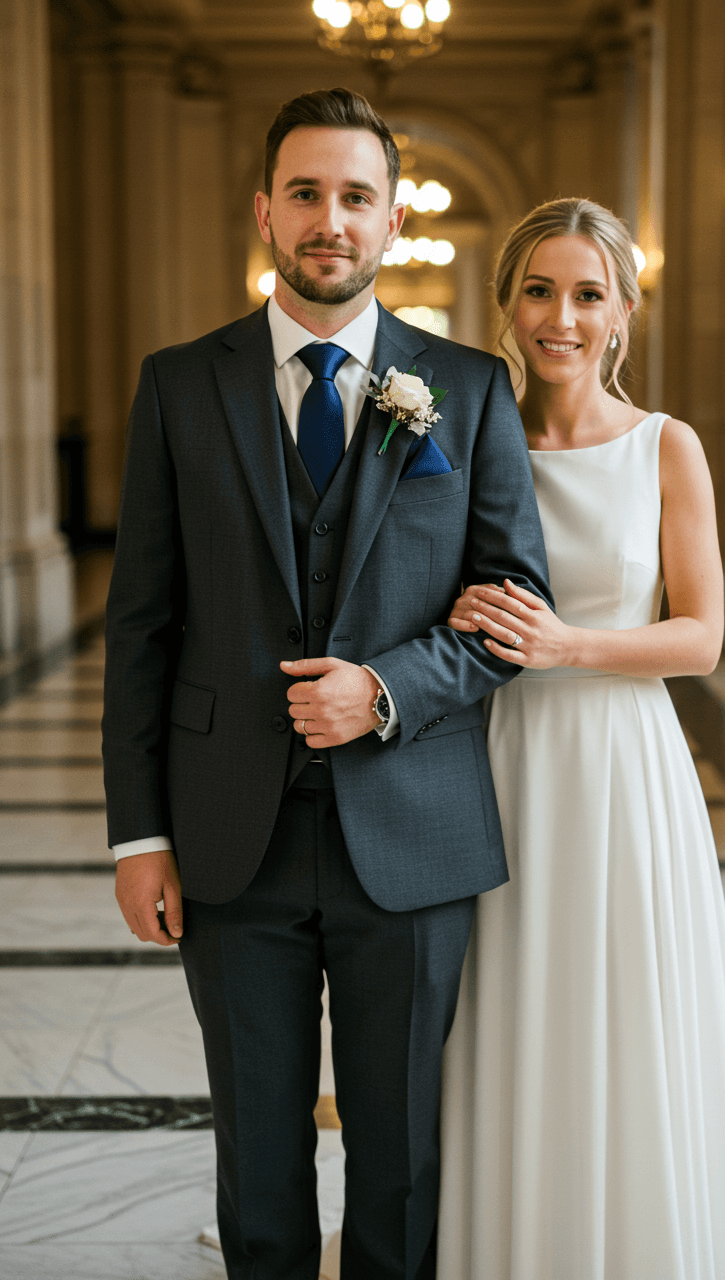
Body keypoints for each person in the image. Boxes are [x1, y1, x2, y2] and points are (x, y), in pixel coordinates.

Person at [102, 87, 551, 1280]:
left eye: (356, 196)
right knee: (255, 1144)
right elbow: (141, 625)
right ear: (264, 211)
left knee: (399, 1148)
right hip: (224, 827)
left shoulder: (468, 385)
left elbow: (512, 615)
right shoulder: (177, 384)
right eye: (305, 192)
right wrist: (136, 833)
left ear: (392, 221)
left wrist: (384, 689)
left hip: (412, 830)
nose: (330, 220)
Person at [435, 198, 725, 1280]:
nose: (561, 316)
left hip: (615, 762)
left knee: (617, 1005)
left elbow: (698, 635)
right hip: (489, 754)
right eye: (539, 290)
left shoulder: (662, 445)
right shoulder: (455, 434)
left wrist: (562, 646)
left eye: (587, 293)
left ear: (622, 313)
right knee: (498, 997)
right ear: (503, 303)